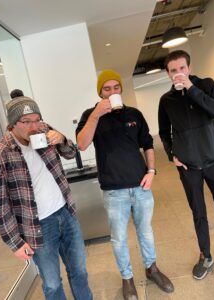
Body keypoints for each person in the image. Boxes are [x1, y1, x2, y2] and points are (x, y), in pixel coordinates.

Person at [76, 69, 174, 299]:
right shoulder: (90, 115)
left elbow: (148, 144)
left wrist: (151, 171)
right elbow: (81, 144)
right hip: (114, 191)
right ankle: (127, 278)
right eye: (107, 89)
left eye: (116, 87)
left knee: (146, 232)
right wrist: (96, 115)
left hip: (142, 186)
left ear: (121, 89)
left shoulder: (134, 114)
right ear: (100, 92)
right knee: (119, 238)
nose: (112, 92)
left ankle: (152, 269)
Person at [0, 96, 92, 300]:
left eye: (37, 119)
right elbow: (0, 205)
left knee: (80, 271)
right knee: (53, 284)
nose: (34, 126)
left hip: (66, 213)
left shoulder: (44, 130)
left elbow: (71, 153)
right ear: (12, 124)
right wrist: (15, 243)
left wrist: (62, 138)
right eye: (26, 121)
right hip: (37, 226)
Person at [158, 50, 214, 280]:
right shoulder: (166, 100)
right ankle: (206, 255)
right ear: (168, 74)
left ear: (189, 67)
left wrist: (192, 89)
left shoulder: (206, 85)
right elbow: (164, 133)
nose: (178, 73)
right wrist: (171, 155)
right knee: (199, 213)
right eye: (173, 70)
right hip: (188, 166)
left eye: (182, 68)